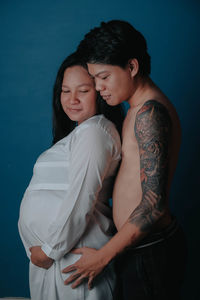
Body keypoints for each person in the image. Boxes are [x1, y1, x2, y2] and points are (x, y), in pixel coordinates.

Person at [62, 20, 187, 299]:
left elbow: (154, 205)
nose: (99, 88)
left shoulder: (149, 113)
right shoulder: (137, 109)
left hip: (151, 251)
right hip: (139, 249)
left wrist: (103, 256)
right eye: (94, 79)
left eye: (104, 77)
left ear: (132, 67)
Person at [18, 52, 125, 300]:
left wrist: (48, 250)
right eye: (66, 91)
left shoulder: (95, 132)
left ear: (99, 93)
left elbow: (81, 198)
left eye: (83, 91)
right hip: (53, 262)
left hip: (71, 263)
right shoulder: (79, 135)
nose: (72, 99)